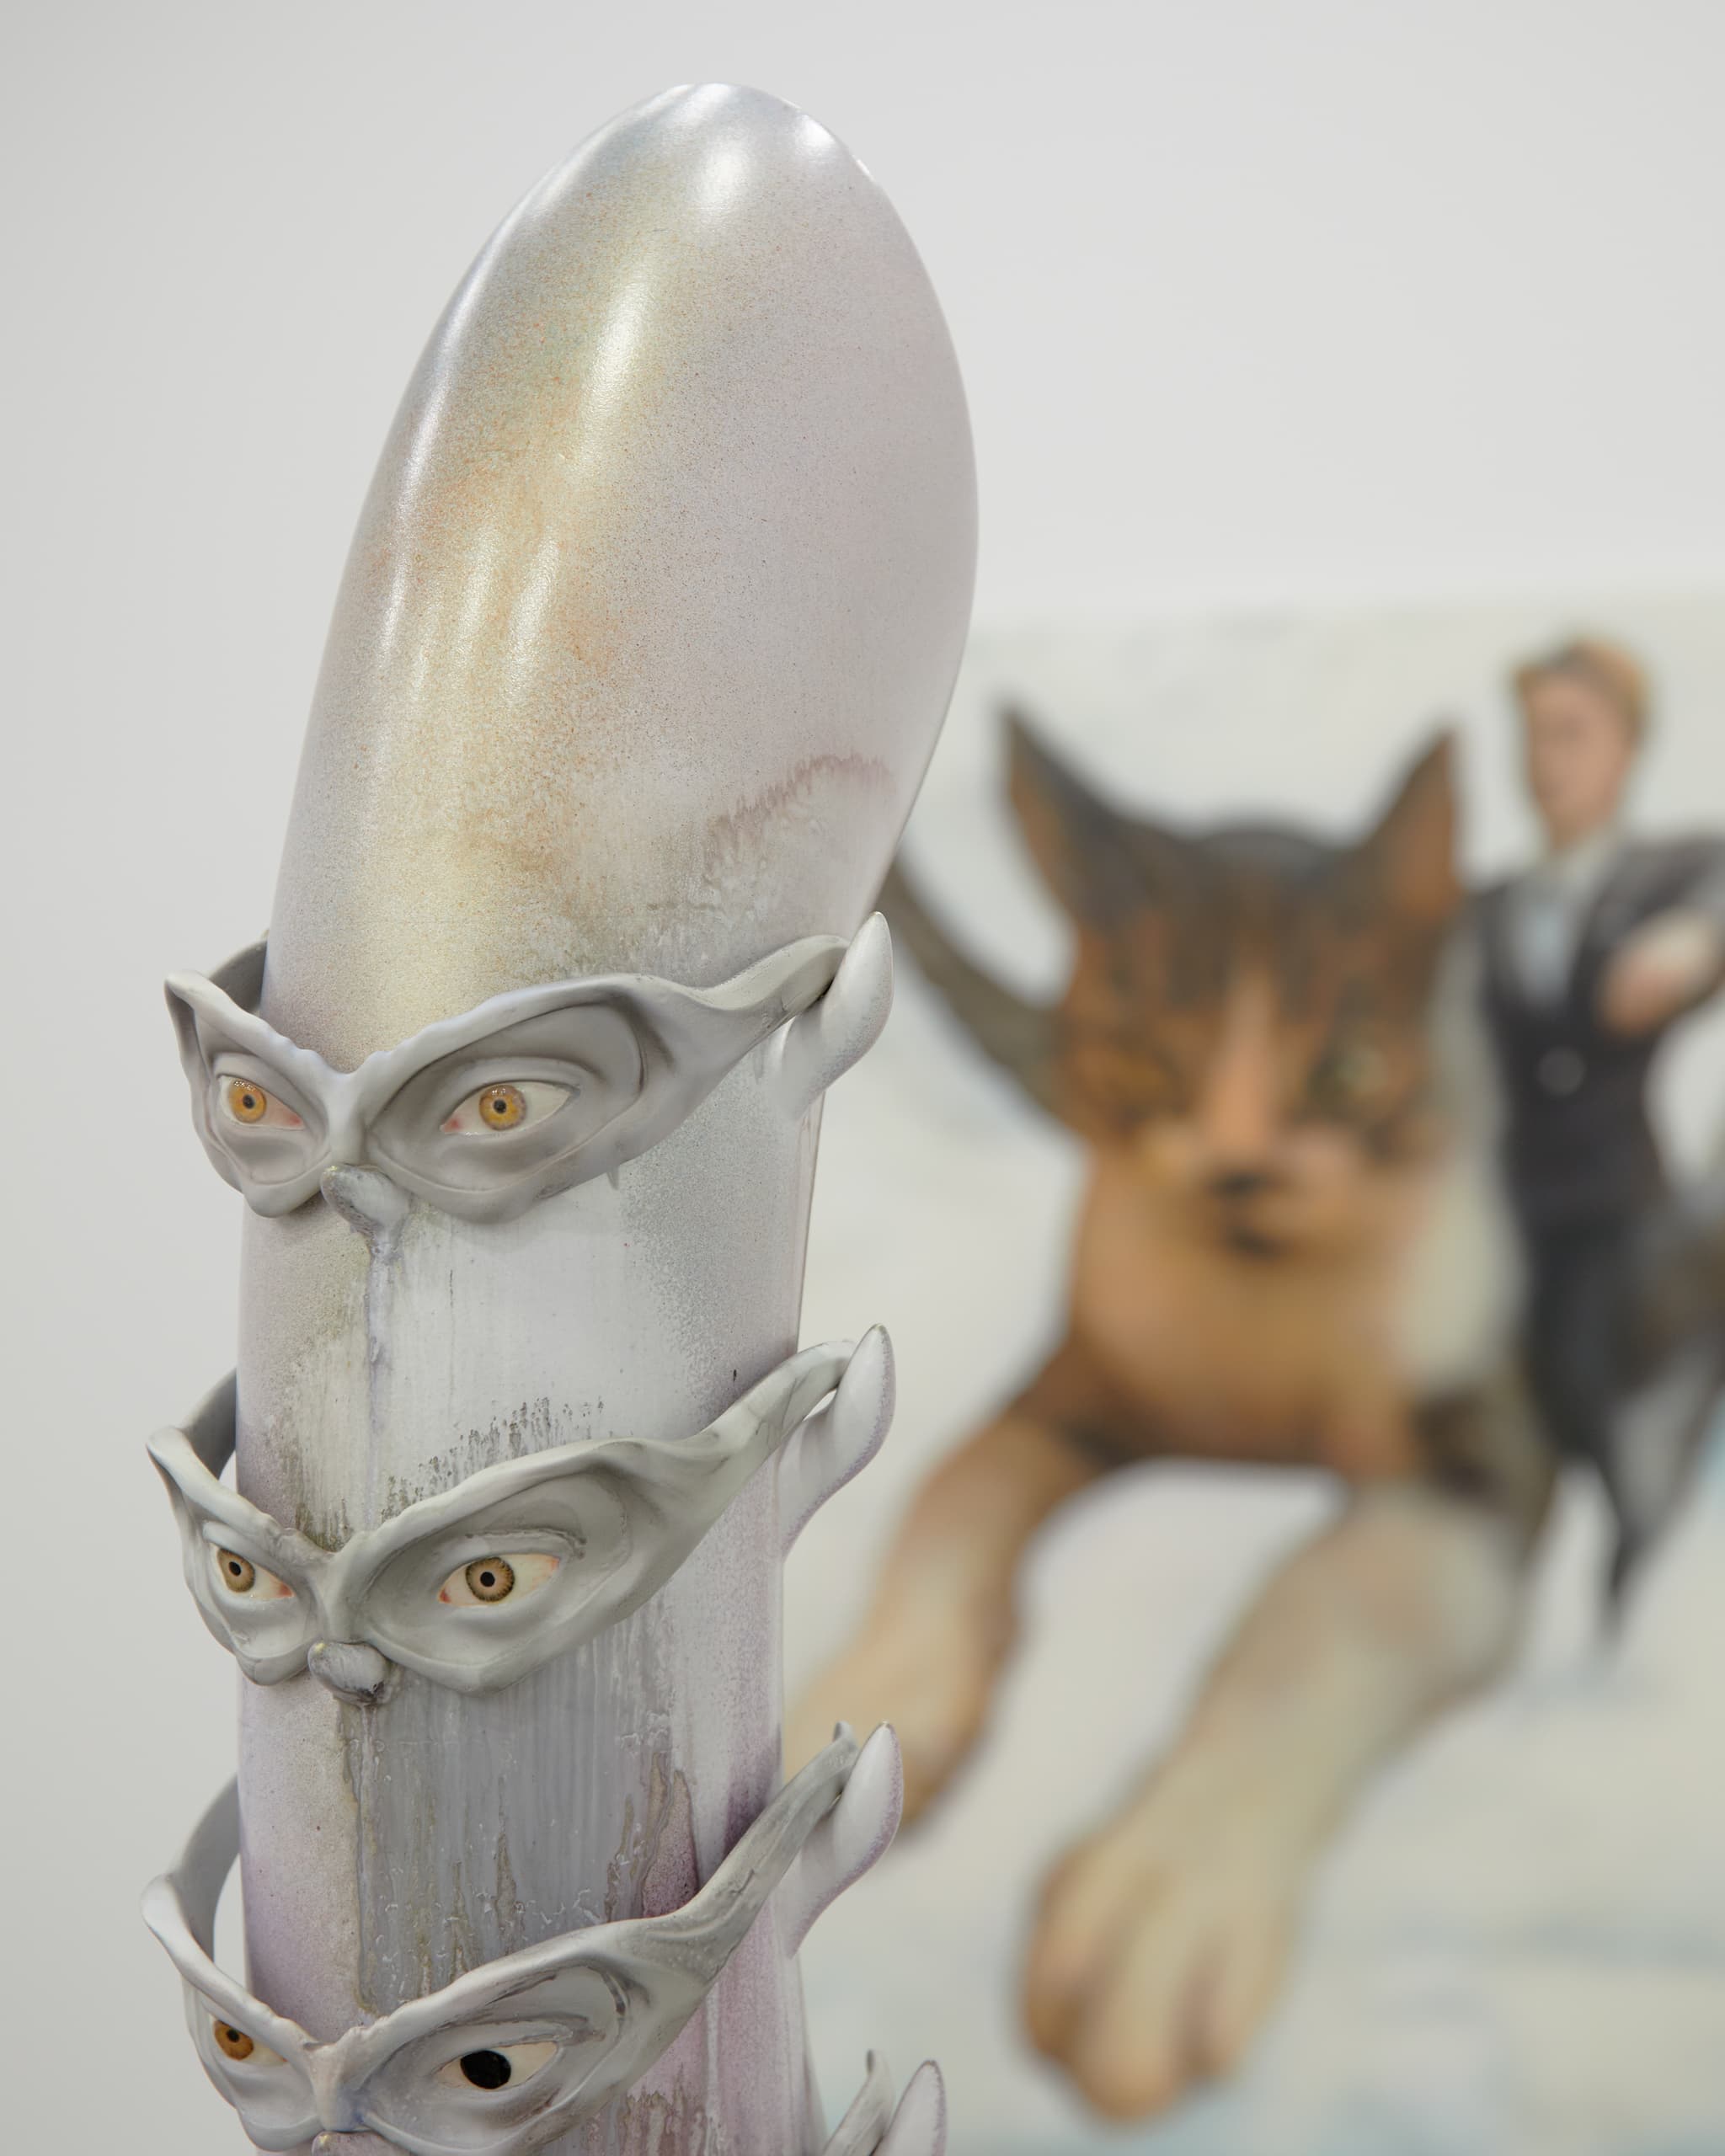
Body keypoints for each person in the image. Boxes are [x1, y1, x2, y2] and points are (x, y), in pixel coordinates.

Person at [1477, 636, 1725, 1595]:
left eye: (1570, 733)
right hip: (1506, 1229)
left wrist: (1695, 942)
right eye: (1533, 735)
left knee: (1631, 1444)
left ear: (1626, 745)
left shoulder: (1675, 872)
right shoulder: (1485, 910)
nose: (1545, 759)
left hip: (1623, 1225)